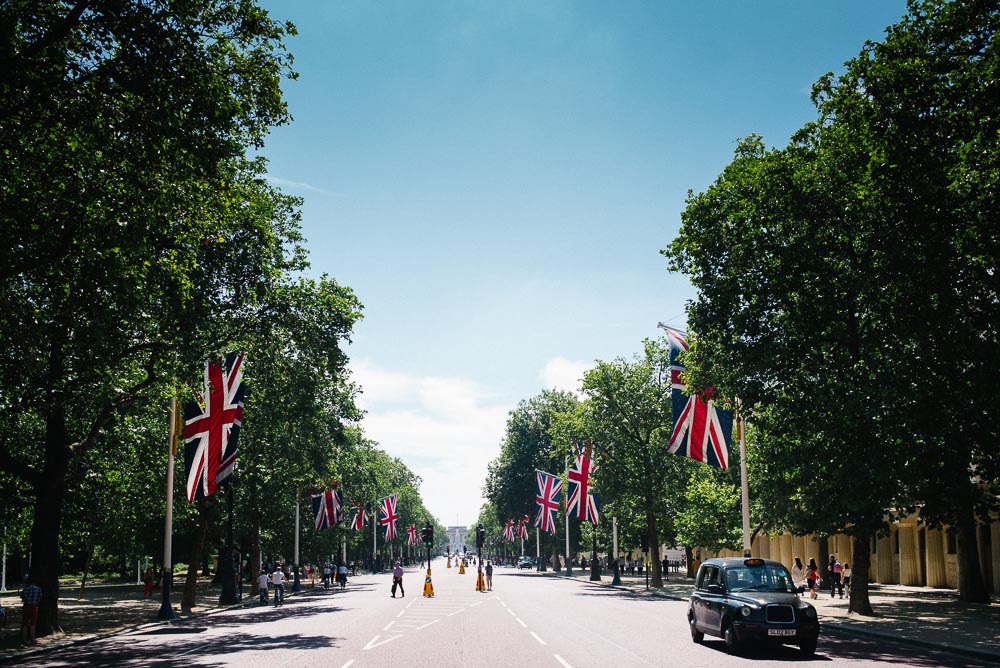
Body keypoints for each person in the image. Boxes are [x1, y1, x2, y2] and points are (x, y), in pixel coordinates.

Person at [21, 575, 42, 646]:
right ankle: (32, 639)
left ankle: (24, 639)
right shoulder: (38, 589)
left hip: (26, 606)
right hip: (34, 607)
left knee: (25, 623)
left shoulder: (25, 589)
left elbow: (22, 598)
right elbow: (39, 598)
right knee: (33, 624)